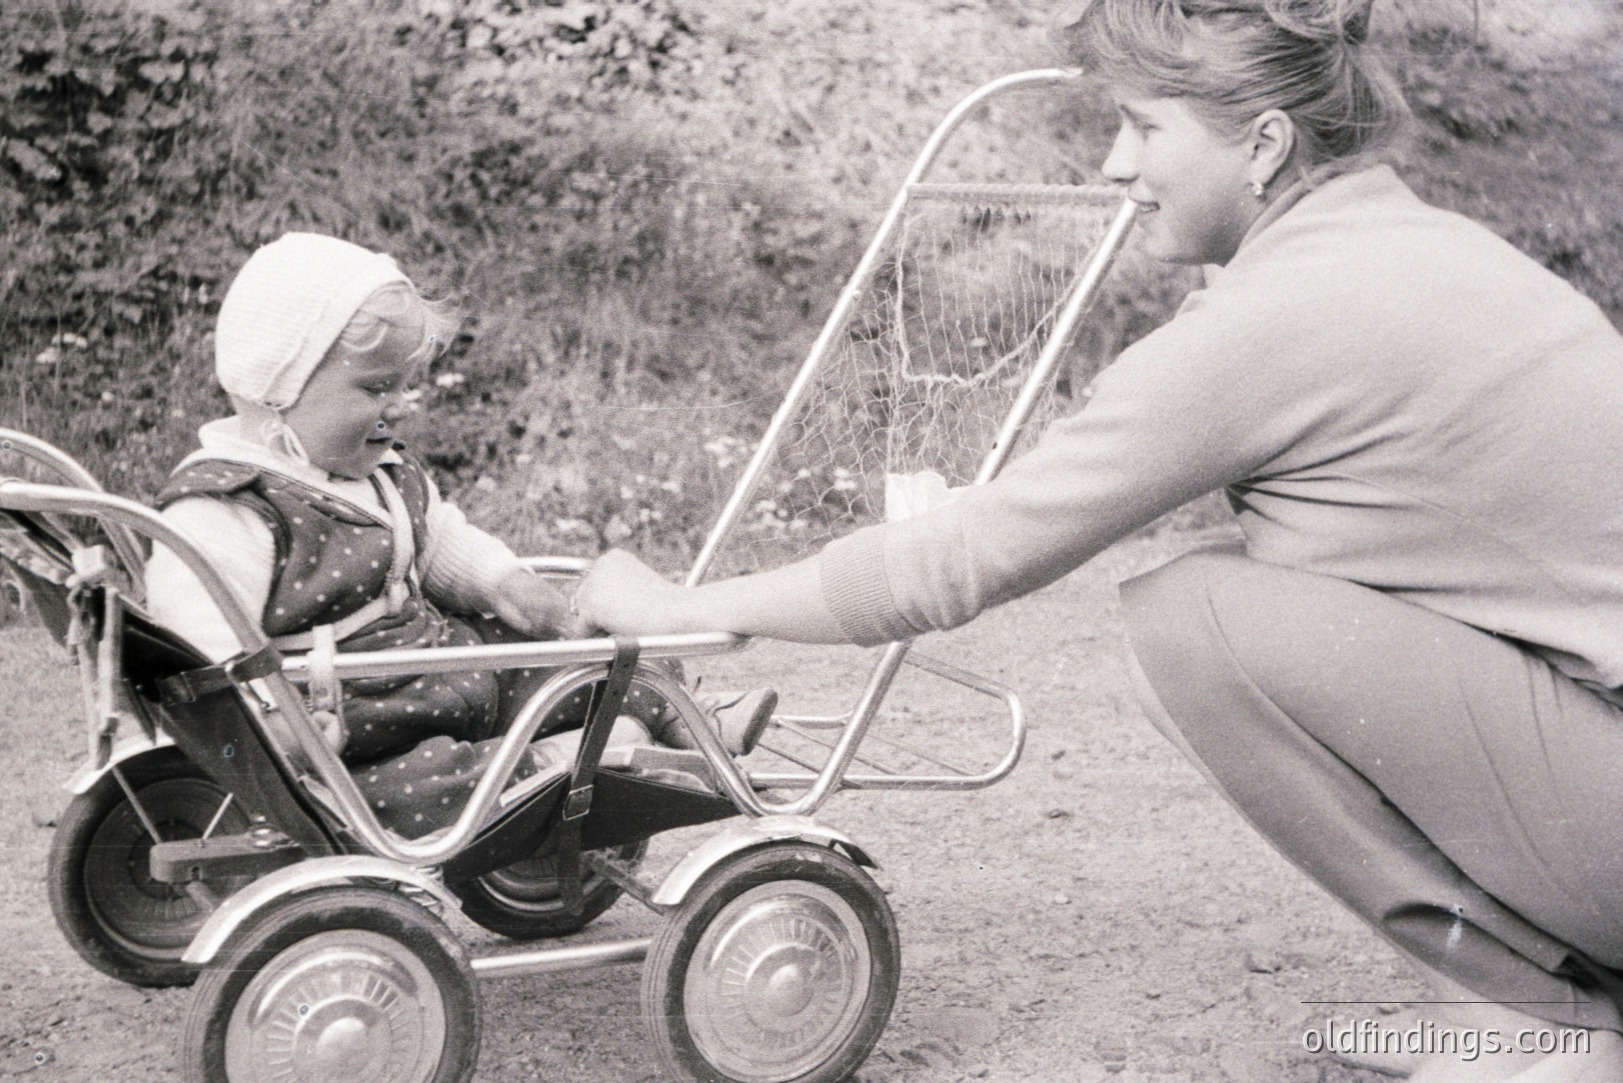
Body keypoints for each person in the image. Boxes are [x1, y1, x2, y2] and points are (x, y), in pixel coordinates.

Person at [574, 2, 1623, 1079]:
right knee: (1237, 600)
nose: (1117, 166)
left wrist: (683, 611)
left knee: (1198, 621)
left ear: (1262, 144)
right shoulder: (1409, 245)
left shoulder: (1283, 315)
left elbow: (965, 560)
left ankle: (1529, 1025)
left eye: (1144, 126)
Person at [147, 232, 773, 839]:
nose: (399, 406)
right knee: (410, 791)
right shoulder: (231, 506)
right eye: (375, 387)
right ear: (278, 388)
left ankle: (693, 723)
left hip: (449, 671)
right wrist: (270, 722)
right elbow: (200, 640)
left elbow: (444, 542)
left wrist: (508, 586)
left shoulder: (377, 472)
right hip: (358, 727)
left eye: (403, 385)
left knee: (588, 657)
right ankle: (550, 768)